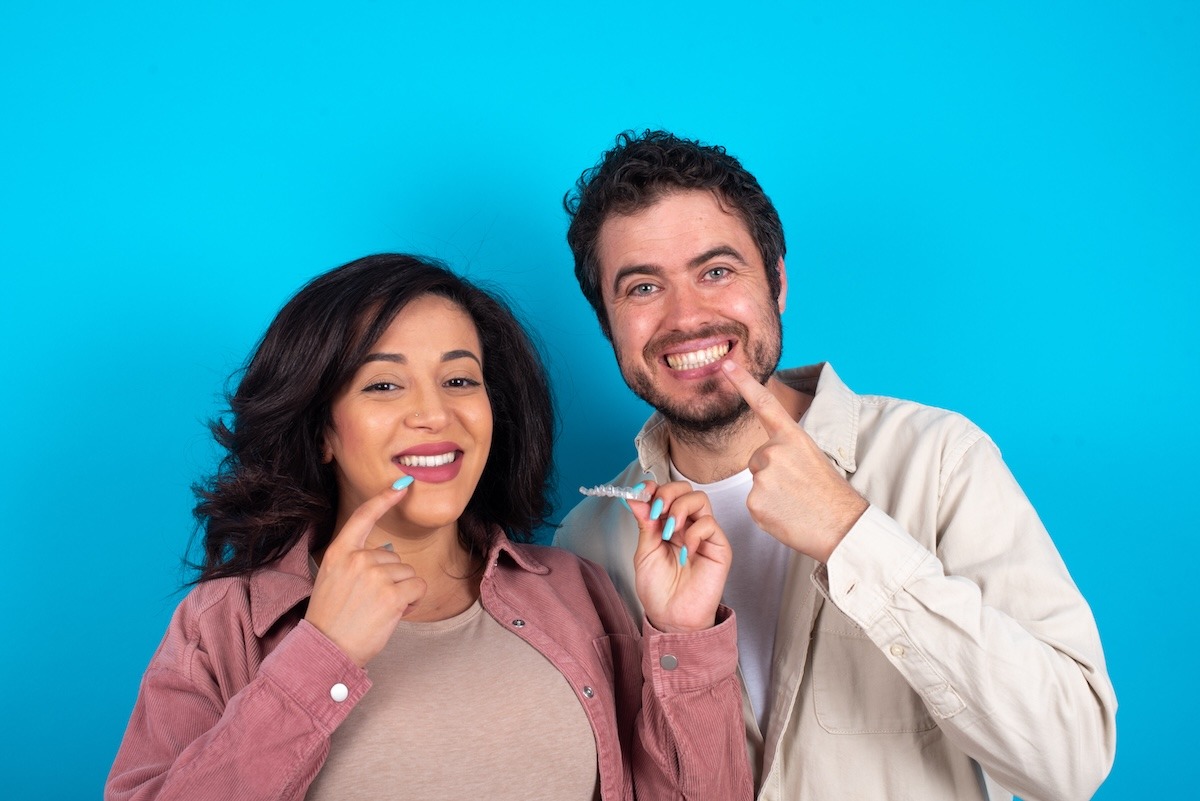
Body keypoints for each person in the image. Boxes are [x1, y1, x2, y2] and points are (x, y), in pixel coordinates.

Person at [553, 131, 1117, 801]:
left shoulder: (939, 458)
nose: (687, 317)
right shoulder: (588, 540)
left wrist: (853, 535)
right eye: (643, 286)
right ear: (609, 323)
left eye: (716, 271)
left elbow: (1071, 760)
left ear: (779, 281)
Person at [107, 253, 752, 801]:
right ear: (323, 431)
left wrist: (683, 635)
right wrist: (320, 655)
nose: (433, 414)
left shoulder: (576, 590)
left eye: (459, 379)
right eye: (384, 385)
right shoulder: (222, 623)